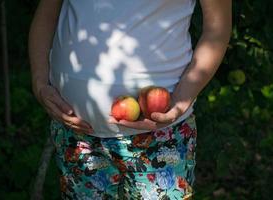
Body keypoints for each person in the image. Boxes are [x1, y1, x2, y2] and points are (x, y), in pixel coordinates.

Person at [29, 0, 231, 199]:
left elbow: (217, 29)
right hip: (77, 136)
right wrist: (40, 83)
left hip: (161, 136)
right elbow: (47, 11)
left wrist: (182, 99)